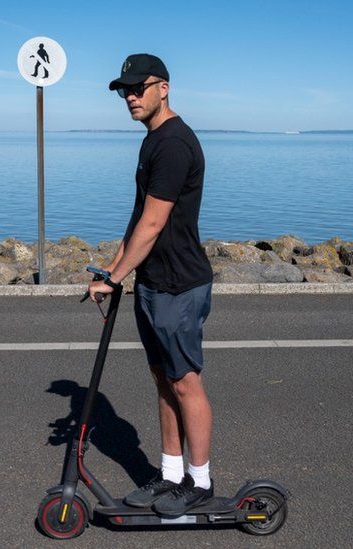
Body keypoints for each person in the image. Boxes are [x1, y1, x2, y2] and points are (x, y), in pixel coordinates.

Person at [87, 53, 215, 516]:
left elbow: (156, 222)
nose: (130, 97)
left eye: (139, 88)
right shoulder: (153, 140)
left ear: (164, 87)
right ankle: (170, 475)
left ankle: (198, 482)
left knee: (185, 382)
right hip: (154, 281)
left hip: (179, 284)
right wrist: (113, 270)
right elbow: (138, 219)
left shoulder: (175, 143)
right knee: (163, 380)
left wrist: (117, 276)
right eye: (125, 90)